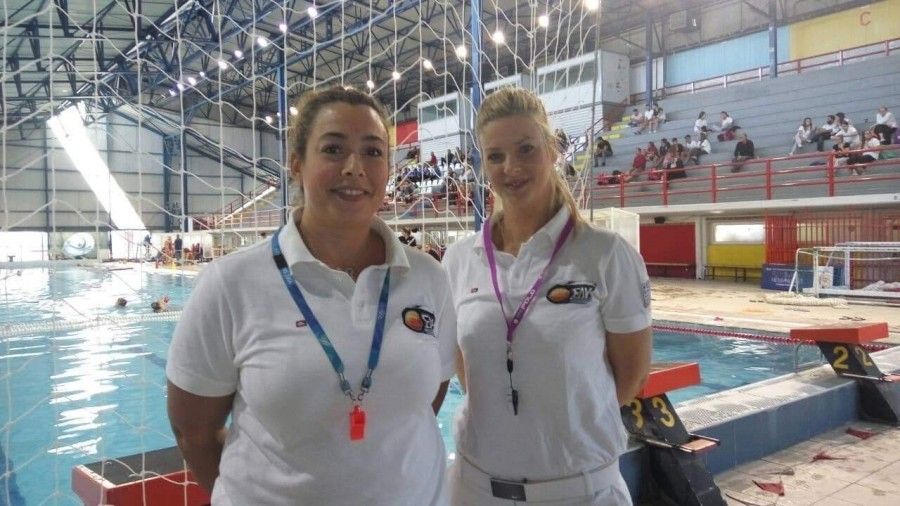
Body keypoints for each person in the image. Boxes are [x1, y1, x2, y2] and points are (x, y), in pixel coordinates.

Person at [166, 86, 456, 504]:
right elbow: (193, 431)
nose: (354, 168)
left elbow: (427, 403)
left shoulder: (428, 277)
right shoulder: (231, 282)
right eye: (334, 149)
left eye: (373, 152)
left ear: (388, 168)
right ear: (297, 163)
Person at [444, 87, 651, 505]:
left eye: (526, 149)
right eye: (495, 156)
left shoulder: (606, 255)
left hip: (580, 490)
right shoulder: (460, 259)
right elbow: (467, 369)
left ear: (552, 149)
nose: (511, 167)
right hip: (476, 488)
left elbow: (630, 379)